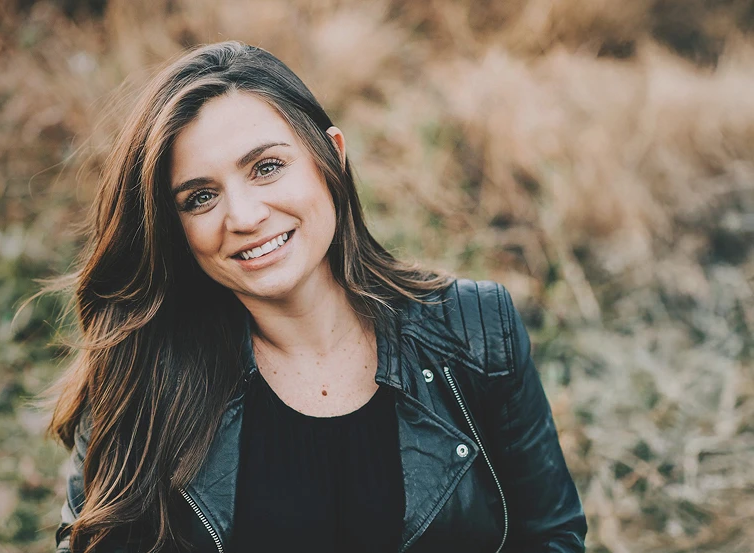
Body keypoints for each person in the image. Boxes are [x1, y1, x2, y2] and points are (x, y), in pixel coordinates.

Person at [48, 40, 586, 553]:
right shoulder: (141, 370)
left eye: (267, 167)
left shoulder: (474, 327)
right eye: (201, 197)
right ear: (173, 226)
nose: (244, 217)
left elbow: (551, 535)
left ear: (331, 157)